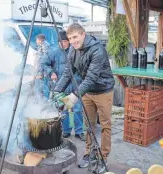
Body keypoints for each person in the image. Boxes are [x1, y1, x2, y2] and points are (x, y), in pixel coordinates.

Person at [53, 23, 115, 173]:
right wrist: (56, 90)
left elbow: (91, 78)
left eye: (75, 37)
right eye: (70, 38)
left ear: (83, 34)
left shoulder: (97, 50)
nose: (73, 41)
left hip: (103, 91)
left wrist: (74, 95)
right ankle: (90, 153)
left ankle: (103, 157)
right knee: (89, 125)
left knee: (105, 125)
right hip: (87, 92)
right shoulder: (73, 51)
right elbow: (68, 73)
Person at [41, 30, 85, 141]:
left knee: (77, 109)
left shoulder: (76, 51)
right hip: (62, 87)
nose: (63, 43)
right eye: (61, 41)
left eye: (65, 41)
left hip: (75, 87)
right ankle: (66, 131)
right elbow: (43, 63)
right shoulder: (53, 52)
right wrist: (51, 72)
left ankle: (79, 131)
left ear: (69, 41)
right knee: (64, 110)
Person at [34, 34, 50, 100]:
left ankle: (44, 101)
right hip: (43, 71)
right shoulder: (43, 46)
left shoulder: (44, 46)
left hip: (43, 72)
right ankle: (42, 100)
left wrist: (40, 74)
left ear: (40, 40)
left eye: (36, 40)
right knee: (43, 86)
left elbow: (42, 61)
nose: (36, 41)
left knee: (43, 86)